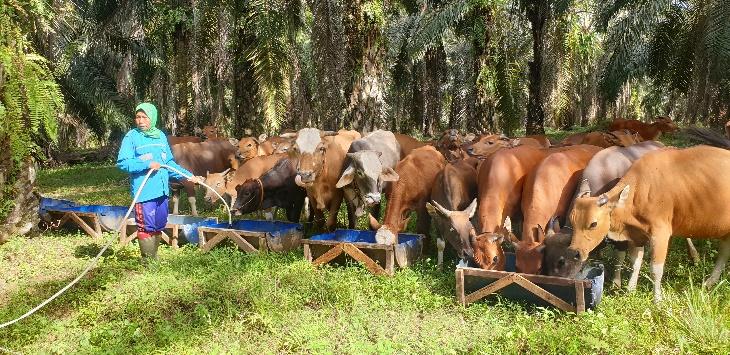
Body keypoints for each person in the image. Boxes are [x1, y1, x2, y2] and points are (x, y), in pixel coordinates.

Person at [117, 103, 202, 263]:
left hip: (162, 191)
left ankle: (153, 256)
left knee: (159, 223)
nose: (140, 121)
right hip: (145, 193)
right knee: (146, 226)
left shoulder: (160, 136)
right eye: (138, 117)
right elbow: (123, 163)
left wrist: (188, 176)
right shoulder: (132, 137)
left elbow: (169, 163)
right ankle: (147, 261)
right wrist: (146, 165)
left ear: (153, 118)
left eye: (144, 117)